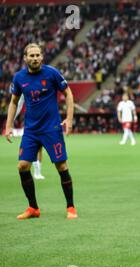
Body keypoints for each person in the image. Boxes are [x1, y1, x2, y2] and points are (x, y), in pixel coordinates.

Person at [4, 43, 77, 220]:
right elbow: (14, 102)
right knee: (22, 166)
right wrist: (8, 125)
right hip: (31, 130)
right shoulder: (19, 77)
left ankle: (71, 207)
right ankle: (33, 208)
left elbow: (68, 93)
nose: (35, 58)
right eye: (32, 55)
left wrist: (69, 118)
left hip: (51, 129)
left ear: (42, 57)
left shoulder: (51, 73)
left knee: (61, 166)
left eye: (38, 55)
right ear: (25, 58)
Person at [15, 94, 45, 179]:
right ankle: (36, 172)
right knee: (35, 149)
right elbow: (19, 103)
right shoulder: (25, 89)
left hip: (43, 122)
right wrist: (11, 119)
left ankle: (37, 172)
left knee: (40, 149)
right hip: (32, 123)